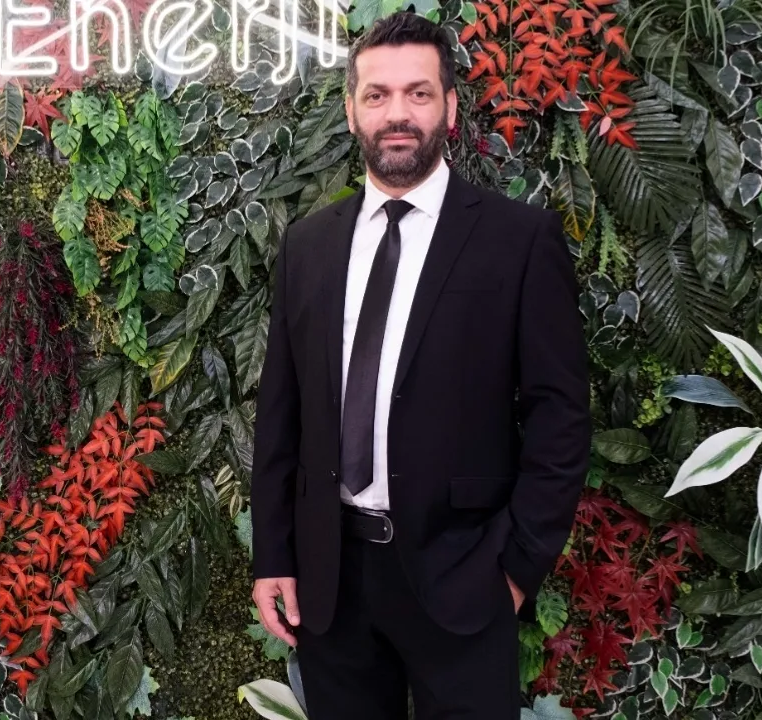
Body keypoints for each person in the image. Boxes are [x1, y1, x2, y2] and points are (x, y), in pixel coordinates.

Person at [249, 11, 592, 719]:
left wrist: (517, 568)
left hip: (465, 578)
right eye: (377, 95)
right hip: (331, 582)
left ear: (450, 108)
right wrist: (274, 555)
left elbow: (560, 417)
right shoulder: (308, 246)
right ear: (352, 111)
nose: (397, 114)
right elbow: (283, 412)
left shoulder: (518, 240)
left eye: (419, 93)